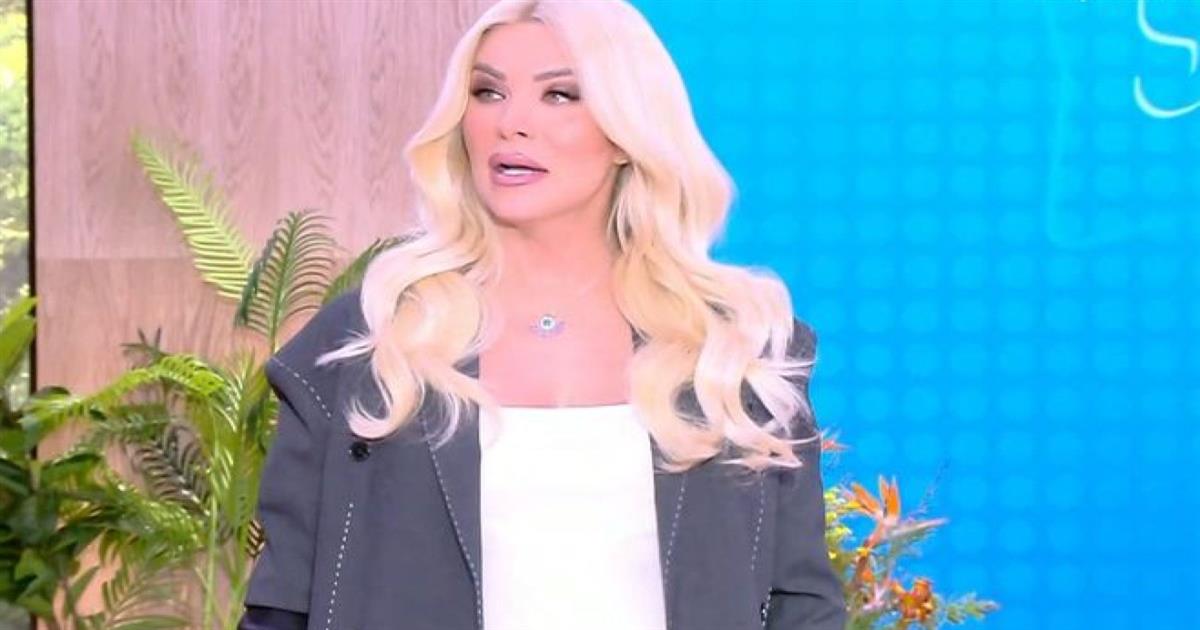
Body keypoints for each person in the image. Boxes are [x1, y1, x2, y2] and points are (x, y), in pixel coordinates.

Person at [238, 0, 846, 629]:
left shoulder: (735, 350)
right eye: (488, 92)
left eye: (559, 95)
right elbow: (283, 607)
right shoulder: (371, 345)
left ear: (626, 133)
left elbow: (802, 604)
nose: (511, 124)